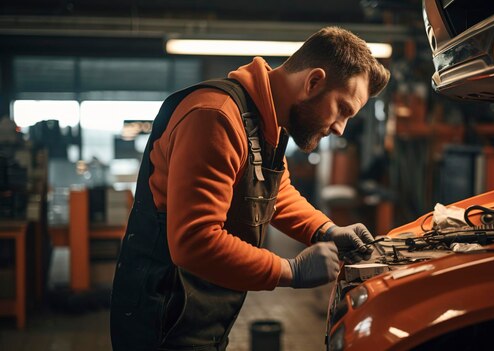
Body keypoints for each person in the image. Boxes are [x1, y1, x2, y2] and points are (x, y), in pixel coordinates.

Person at [110, 26, 390, 350]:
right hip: (162, 320)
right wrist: (290, 270)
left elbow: (274, 192)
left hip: (198, 313)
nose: (341, 128)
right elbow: (194, 241)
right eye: (342, 108)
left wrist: (325, 229)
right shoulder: (215, 117)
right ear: (314, 82)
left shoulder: (264, 122)